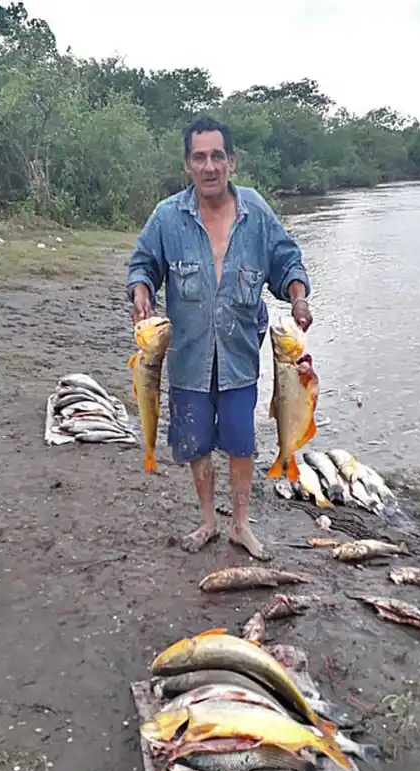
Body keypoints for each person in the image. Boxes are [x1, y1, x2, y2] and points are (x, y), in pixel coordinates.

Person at [126, 116, 312, 560]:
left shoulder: (256, 213)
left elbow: (286, 261)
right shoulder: (167, 216)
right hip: (188, 357)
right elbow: (144, 263)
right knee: (195, 445)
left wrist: (298, 297)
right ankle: (208, 519)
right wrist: (141, 290)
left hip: (240, 356)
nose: (209, 166)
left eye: (216, 156)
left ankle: (240, 525)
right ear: (188, 164)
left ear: (231, 161)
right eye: (199, 157)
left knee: (240, 442)